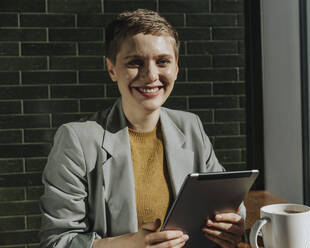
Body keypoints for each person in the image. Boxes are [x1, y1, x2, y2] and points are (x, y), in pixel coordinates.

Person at [39, 9, 246, 248]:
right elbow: (57, 241)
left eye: (163, 61)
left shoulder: (191, 127)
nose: (150, 75)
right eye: (135, 62)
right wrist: (129, 244)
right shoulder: (76, 139)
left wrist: (232, 224)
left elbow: (227, 204)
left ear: (176, 68)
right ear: (112, 69)